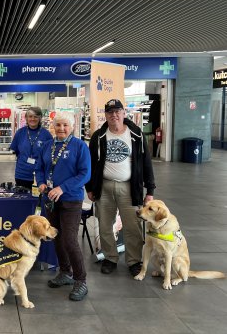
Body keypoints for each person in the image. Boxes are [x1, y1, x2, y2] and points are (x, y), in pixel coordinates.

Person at [85, 98, 155, 277]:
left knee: (133, 226)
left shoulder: (136, 135)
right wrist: (90, 188)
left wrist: (150, 191)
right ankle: (110, 258)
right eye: (110, 112)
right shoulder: (99, 135)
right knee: (105, 225)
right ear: (106, 115)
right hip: (104, 187)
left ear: (124, 113)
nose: (114, 115)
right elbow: (90, 164)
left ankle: (134, 261)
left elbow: (146, 163)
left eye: (117, 111)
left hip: (129, 188)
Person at [35, 112, 91, 301]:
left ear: (72, 127)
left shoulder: (80, 146)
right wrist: (41, 182)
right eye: (58, 125)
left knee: (69, 239)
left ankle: (81, 280)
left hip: (71, 200)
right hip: (51, 199)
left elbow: (85, 174)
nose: (61, 128)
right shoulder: (48, 145)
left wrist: (62, 188)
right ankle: (65, 273)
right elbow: (40, 168)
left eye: (65, 125)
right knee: (55, 237)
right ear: (53, 126)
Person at [10, 106, 52, 189]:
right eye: (30, 116)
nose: (33, 119)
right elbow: (17, 151)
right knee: (22, 198)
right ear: (26, 118)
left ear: (40, 118)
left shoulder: (46, 135)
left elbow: (49, 155)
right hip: (21, 174)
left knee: (38, 200)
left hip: (40, 176)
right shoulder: (20, 133)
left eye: (36, 116)